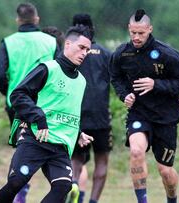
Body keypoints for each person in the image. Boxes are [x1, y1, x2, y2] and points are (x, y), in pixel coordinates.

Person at [0, 25, 94, 203]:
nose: (84, 53)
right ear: (68, 44)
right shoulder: (47, 69)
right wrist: (37, 117)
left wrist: (78, 133)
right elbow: (18, 95)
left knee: (63, 187)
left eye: (87, 49)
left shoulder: (81, 81)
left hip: (60, 146)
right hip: (35, 139)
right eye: (81, 47)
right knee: (16, 182)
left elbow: (64, 110)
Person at [109, 9, 179, 203]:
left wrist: (157, 84)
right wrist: (124, 95)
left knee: (165, 171)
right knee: (136, 151)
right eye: (133, 33)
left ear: (150, 30)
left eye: (141, 33)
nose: (136, 37)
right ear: (129, 29)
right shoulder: (122, 53)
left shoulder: (167, 54)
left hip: (166, 117)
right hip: (139, 113)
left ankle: (172, 199)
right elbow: (116, 77)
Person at [0, 3, 58, 202]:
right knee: (50, 148)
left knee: (23, 150)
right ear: (36, 19)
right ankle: (63, 185)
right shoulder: (51, 41)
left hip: (19, 106)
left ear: (18, 20)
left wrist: (10, 93)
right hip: (46, 106)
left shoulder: (9, 42)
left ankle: (19, 196)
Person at [67, 13, 113, 203]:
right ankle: (93, 200)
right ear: (93, 29)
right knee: (101, 160)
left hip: (76, 115)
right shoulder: (105, 53)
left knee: (76, 160)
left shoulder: (70, 54)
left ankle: (74, 184)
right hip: (101, 115)